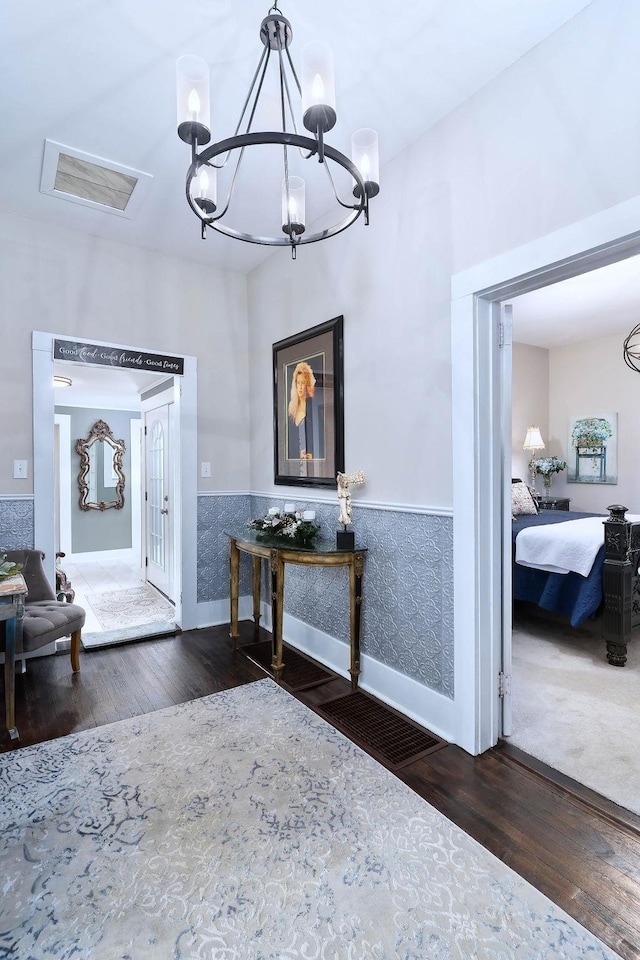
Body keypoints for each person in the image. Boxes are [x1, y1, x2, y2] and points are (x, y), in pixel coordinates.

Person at [287, 360, 318, 461]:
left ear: (307, 385)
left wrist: (312, 454)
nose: (300, 387)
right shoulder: (292, 409)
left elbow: (318, 438)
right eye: (298, 383)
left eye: (303, 383)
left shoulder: (312, 407)